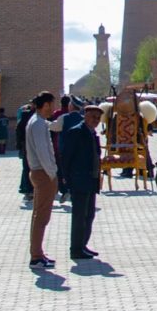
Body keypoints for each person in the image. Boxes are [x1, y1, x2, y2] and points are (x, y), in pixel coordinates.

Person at [60, 105, 103, 259]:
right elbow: (66, 157)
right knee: (79, 216)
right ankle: (76, 249)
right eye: (93, 117)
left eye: (98, 118)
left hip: (91, 180)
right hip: (79, 180)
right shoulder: (76, 132)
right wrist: (66, 179)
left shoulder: (93, 133)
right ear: (85, 116)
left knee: (89, 215)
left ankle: (83, 245)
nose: (95, 121)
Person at [25, 91, 58, 269]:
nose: (53, 108)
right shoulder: (37, 124)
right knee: (41, 217)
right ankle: (36, 256)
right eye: (51, 105)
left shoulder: (38, 122)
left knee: (39, 215)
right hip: (43, 173)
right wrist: (52, 172)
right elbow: (43, 151)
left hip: (40, 172)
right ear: (45, 105)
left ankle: (37, 253)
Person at [49, 96, 84, 201]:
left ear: (71, 106)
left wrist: (44, 122)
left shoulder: (64, 118)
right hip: (80, 152)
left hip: (65, 150)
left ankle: (66, 190)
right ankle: (76, 191)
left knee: (63, 172)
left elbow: (53, 127)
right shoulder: (83, 119)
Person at [15, 104, 34, 201]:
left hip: (26, 144)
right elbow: (19, 130)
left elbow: (18, 129)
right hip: (27, 145)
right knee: (28, 168)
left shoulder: (25, 115)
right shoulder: (27, 115)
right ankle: (29, 190)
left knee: (26, 168)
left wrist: (19, 144)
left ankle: (27, 189)